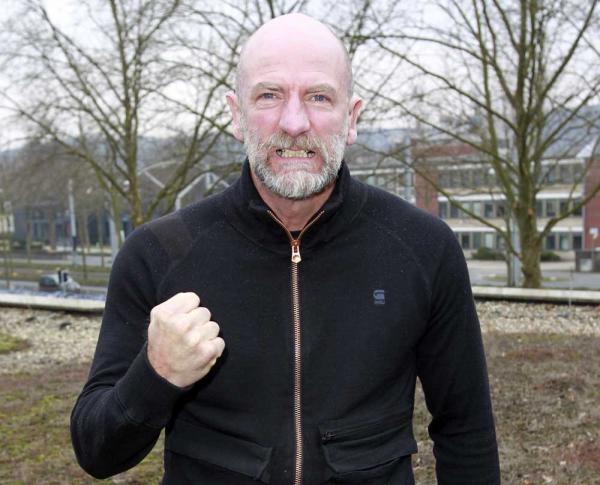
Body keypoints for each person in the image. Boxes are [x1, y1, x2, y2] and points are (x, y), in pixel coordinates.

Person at [71, 13, 500, 485]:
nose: (294, 123)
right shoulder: (158, 252)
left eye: (318, 97)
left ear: (352, 118)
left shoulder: (423, 247)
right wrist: (156, 375)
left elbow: (467, 431)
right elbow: (96, 451)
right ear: (236, 115)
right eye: (269, 95)